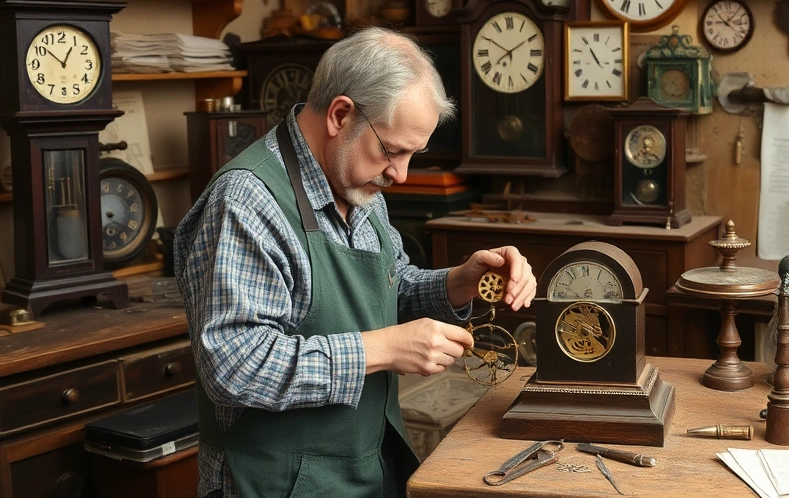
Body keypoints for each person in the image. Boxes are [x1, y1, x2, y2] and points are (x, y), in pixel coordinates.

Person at [175, 27, 537, 498]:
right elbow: (232, 363)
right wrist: (382, 349)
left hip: (362, 471)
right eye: (393, 150)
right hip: (272, 485)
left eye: (413, 155)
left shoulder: (356, 182)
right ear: (340, 115)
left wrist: (458, 283)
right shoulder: (247, 201)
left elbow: (387, 289)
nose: (401, 174)